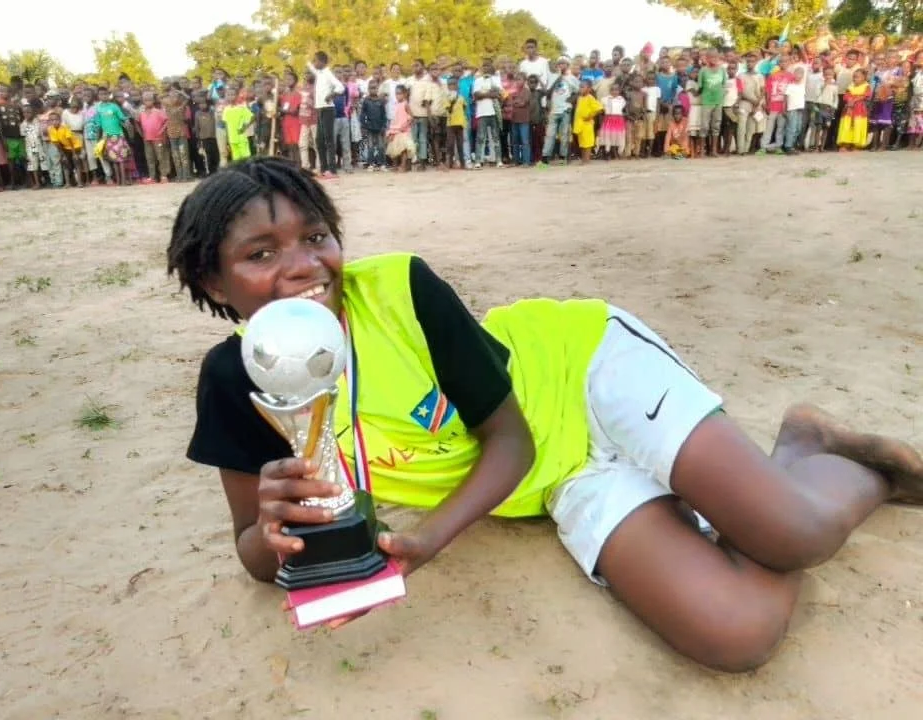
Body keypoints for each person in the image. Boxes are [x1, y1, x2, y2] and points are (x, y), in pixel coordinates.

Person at [168, 157, 923, 673]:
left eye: (316, 236)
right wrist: (276, 531)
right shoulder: (233, 380)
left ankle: (814, 460)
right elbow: (254, 554)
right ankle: (796, 457)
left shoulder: (400, 289)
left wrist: (430, 538)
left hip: (584, 374)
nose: (304, 264)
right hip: (554, 481)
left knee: (794, 535)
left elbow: (510, 440)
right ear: (212, 279)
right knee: (738, 635)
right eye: (261, 253)